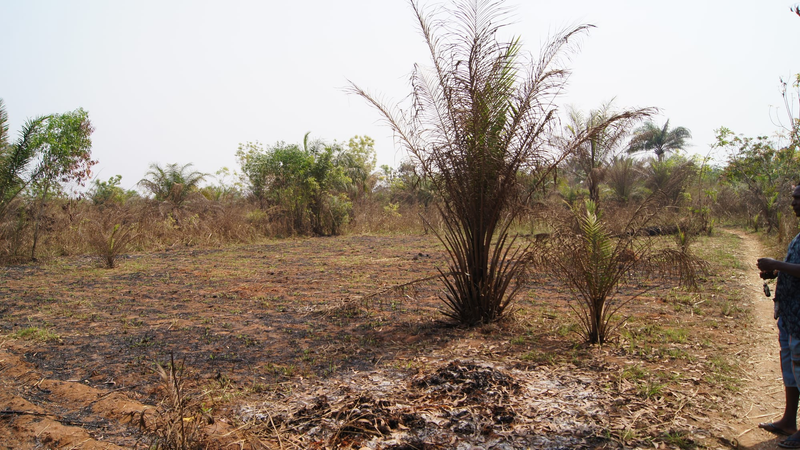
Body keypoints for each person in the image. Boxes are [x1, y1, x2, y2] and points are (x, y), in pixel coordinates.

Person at [757, 184, 800, 448]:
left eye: (798, 198)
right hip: (790, 316)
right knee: (791, 369)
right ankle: (788, 421)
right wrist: (776, 272)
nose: (793, 202)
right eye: (793, 198)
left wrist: (776, 264)